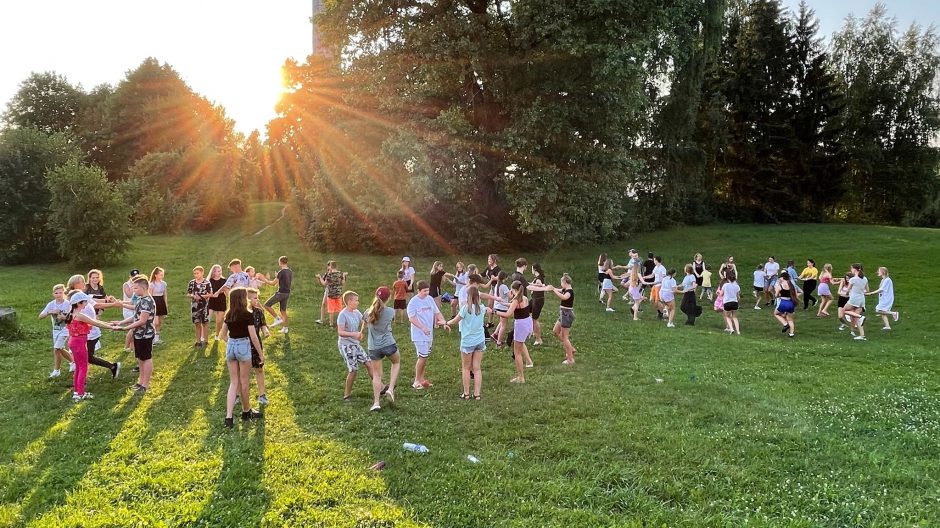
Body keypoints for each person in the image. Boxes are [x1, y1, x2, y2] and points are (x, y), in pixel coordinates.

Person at [217, 287, 263, 427]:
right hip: (243, 346)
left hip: (231, 346)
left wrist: (231, 343)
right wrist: (260, 354)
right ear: (242, 299)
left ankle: (229, 417)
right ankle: (246, 411)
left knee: (233, 382)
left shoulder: (228, 314)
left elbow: (222, 335)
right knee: (244, 381)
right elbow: (254, 337)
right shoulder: (247, 315)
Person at [64, 292, 119, 402]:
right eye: (84, 302)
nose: (85, 304)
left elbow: (94, 322)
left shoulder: (72, 314)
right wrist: (111, 326)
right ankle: (80, 393)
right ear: (79, 303)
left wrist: (110, 324)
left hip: (73, 342)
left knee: (78, 367)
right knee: (83, 367)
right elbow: (95, 323)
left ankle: (77, 392)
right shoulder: (80, 315)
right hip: (79, 343)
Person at [66, 274, 122, 379]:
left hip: (88, 333)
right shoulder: (77, 299)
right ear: (77, 284)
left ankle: (111, 367)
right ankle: (79, 376)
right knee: (85, 357)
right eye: (83, 282)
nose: (85, 284)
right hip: (83, 333)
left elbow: (96, 307)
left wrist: (110, 304)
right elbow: (95, 306)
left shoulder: (82, 298)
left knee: (87, 357)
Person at [113, 275, 156, 394]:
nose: (134, 291)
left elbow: (142, 320)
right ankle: (140, 381)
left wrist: (125, 328)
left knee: (146, 358)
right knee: (140, 358)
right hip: (138, 334)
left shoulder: (147, 301)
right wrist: (120, 322)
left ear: (144, 288)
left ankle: (145, 384)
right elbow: (135, 316)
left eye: (136, 288)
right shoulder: (141, 300)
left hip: (145, 335)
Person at [445, 285, 488, 399]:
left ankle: (466, 393)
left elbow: (454, 321)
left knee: (466, 368)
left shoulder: (465, 309)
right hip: (480, 340)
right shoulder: (482, 308)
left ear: (468, 296)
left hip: (468, 342)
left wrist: (445, 323)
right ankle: (477, 394)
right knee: (477, 368)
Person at [407, 280, 449, 389]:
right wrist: (422, 327)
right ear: (418, 291)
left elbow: (437, 312)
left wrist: (444, 322)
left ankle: (422, 379)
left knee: (425, 358)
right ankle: (416, 381)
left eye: (428, 290)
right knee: (422, 357)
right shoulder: (413, 302)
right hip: (419, 335)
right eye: (424, 291)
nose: (427, 292)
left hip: (429, 334)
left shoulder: (430, 299)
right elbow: (412, 318)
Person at [364, 287, 401, 405]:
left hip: (373, 347)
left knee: (376, 375)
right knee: (396, 362)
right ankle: (390, 388)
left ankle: (376, 403)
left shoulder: (367, 312)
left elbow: (365, 322)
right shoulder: (391, 312)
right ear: (389, 298)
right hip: (388, 344)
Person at [530, 274, 576, 364]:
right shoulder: (564, 289)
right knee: (555, 331)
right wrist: (547, 287)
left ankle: (570, 359)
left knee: (565, 337)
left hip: (567, 314)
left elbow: (563, 297)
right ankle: (570, 349)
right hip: (562, 314)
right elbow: (555, 289)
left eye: (561, 282)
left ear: (565, 282)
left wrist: (554, 290)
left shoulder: (570, 292)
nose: (560, 284)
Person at [498, 281, 534, 383]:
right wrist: (504, 303)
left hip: (520, 325)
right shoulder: (525, 298)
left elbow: (508, 314)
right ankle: (528, 361)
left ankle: (521, 377)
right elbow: (514, 305)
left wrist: (495, 311)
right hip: (527, 322)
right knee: (520, 344)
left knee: (517, 353)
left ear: (514, 290)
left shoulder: (516, 301)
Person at [38, 284, 75, 378]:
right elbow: (40, 316)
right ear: (53, 294)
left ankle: (56, 371)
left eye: (60, 293)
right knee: (60, 349)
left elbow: (73, 317)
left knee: (56, 349)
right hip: (56, 330)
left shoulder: (68, 304)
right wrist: (50, 312)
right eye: (56, 293)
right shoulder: (51, 304)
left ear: (64, 293)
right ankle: (73, 362)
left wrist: (63, 316)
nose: (58, 295)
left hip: (66, 329)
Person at [247, 288, 270, 406]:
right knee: (244, 372)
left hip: (256, 345)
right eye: (255, 298)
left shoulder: (259, 312)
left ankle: (262, 395)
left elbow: (263, 325)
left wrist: (265, 331)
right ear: (248, 299)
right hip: (244, 344)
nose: (257, 300)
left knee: (259, 369)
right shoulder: (242, 312)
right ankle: (239, 396)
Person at [262, 255, 292, 334]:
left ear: (280, 262)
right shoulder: (289, 271)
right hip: (287, 293)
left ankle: (277, 319)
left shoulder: (281, 272)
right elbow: (284, 281)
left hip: (281, 293)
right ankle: (285, 328)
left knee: (266, 305)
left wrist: (264, 280)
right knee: (283, 311)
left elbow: (273, 284)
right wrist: (277, 277)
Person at [188, 266, 213, 347]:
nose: (196, 275)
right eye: (194, 273)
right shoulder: (192, 282)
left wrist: (202, 296)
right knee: (197, 323)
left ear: (202, 273)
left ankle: (205, 341)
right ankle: (198, 341)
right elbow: (188, 293)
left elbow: (210, 294)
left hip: (204, 305)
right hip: (195, 306)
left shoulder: (207, 282)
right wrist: (193, 296)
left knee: (205, 323)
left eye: (197, 273)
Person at [866, 266, 899, 330]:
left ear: (883, 272)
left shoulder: (887, 280)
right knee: (883, 312)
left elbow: (881, 289)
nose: (878, 272)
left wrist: (870, 293)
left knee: (878, 310)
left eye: (879, 271)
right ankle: (887, 326)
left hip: (887, 298)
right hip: (883, 298)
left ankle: (894, 313)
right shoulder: (883, 280)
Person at [842, 263, 869, 341]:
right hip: (862, 299)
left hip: (854, 299)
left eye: (851, 268)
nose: (851, 270)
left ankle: (861, 317)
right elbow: (867, 290)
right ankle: (862, 335)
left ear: (855, 269)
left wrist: (845, 294)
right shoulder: (865, 279)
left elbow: (847, 291)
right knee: (856, 317)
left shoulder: (853, 279)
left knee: (844, 311)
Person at [319, 260, 347, 327]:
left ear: (330, 266)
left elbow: (324, 283)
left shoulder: (329, 275)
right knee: (339, 309)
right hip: (338, 294)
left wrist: (319, 277)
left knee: (331, 309)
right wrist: (344, 275)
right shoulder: (340, 273)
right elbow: (343, 283)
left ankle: (331, 324)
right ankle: (340, 323)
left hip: (331, 294)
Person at [773, 271, 797, 338]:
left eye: (780, 277)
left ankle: (785, 324)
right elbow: (795, 294)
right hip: (791, 303)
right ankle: (791, 333)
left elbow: (776, 295)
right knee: (790, 318)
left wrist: (777, 292)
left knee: (776, 314)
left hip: (783, 302)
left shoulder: (780, 285)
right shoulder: (791, 285)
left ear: (783, 277)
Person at [207, 264, 228, 339]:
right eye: (218, 271)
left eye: (220, 271)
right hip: (211, 301)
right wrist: (211, 295)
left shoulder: (224, 281)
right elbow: (207, 291)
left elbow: (226, 290)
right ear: (214, 272)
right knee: (207, 320)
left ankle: (217, 335)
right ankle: (204, 336)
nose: (220, 272)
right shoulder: (209, 281)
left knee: (219, 321)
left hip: (221, 301)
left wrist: (219, 293)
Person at [149, 267, 168, 345]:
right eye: (160, 275)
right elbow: (150, 295)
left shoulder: (164, 283)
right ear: (155, 275)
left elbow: (165, 295)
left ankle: (157, 338)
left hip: (161, 301)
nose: (162, 276)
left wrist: (166, 304)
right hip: (154, 301)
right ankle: (152, 338)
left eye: (162, 275)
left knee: (160, 322)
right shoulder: (151, 284)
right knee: (155, 322)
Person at [529, 263, 547, 345]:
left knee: (534, 319)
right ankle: (533, 331)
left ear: (535, 269)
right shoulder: (537, 277)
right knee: (526, 310)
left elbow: (540, 285)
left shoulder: (538, 278)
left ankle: (539, 339)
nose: (531, 270)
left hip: (538, 300)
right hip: (533, 299)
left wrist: (531, 284)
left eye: (532, 268)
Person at [483, 254, 501, 326]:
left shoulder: (498, 269)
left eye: (490, 259)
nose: (489, 261)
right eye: (488, 259)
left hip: (498, 288)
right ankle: (490, 322)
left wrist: (495, 278)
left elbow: (500, 278)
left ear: (494, 260)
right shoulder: (488, 268)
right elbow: (483, 274)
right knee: (490, 304)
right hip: (492, 288)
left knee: (499, 306)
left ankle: (502, 321)